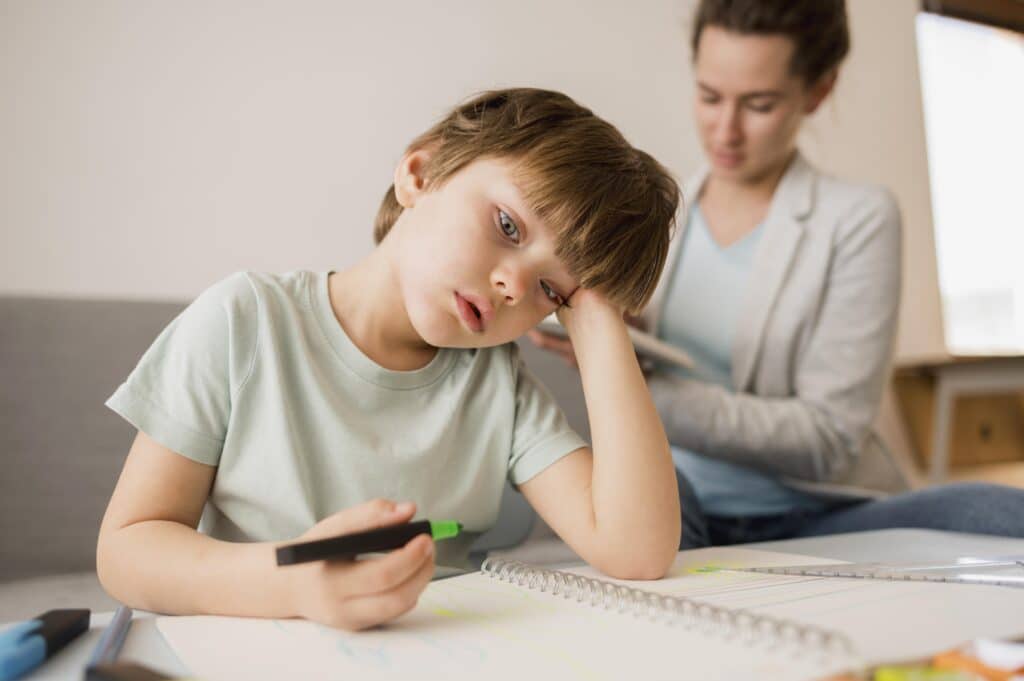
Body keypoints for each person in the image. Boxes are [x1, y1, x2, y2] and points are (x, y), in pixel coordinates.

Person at [96, 88, 683, 631]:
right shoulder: (244, 322)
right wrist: (292, 589)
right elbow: (127, 550)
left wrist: (599, 319)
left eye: (551, 291)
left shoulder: (497, 383)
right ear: (419, 174)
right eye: (507, 225)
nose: (512, 285)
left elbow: (638, 549)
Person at [529, 0, 1024, 547]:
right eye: (709, 96)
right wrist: (629, 341)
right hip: (681, 500)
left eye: (758, 104)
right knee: (647, 518)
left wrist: (630, 382)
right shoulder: (655, 215)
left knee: (1001, 513)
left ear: (818, 91)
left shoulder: (857, 219)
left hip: (819, 510)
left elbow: (827, 436)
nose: (726, 130)